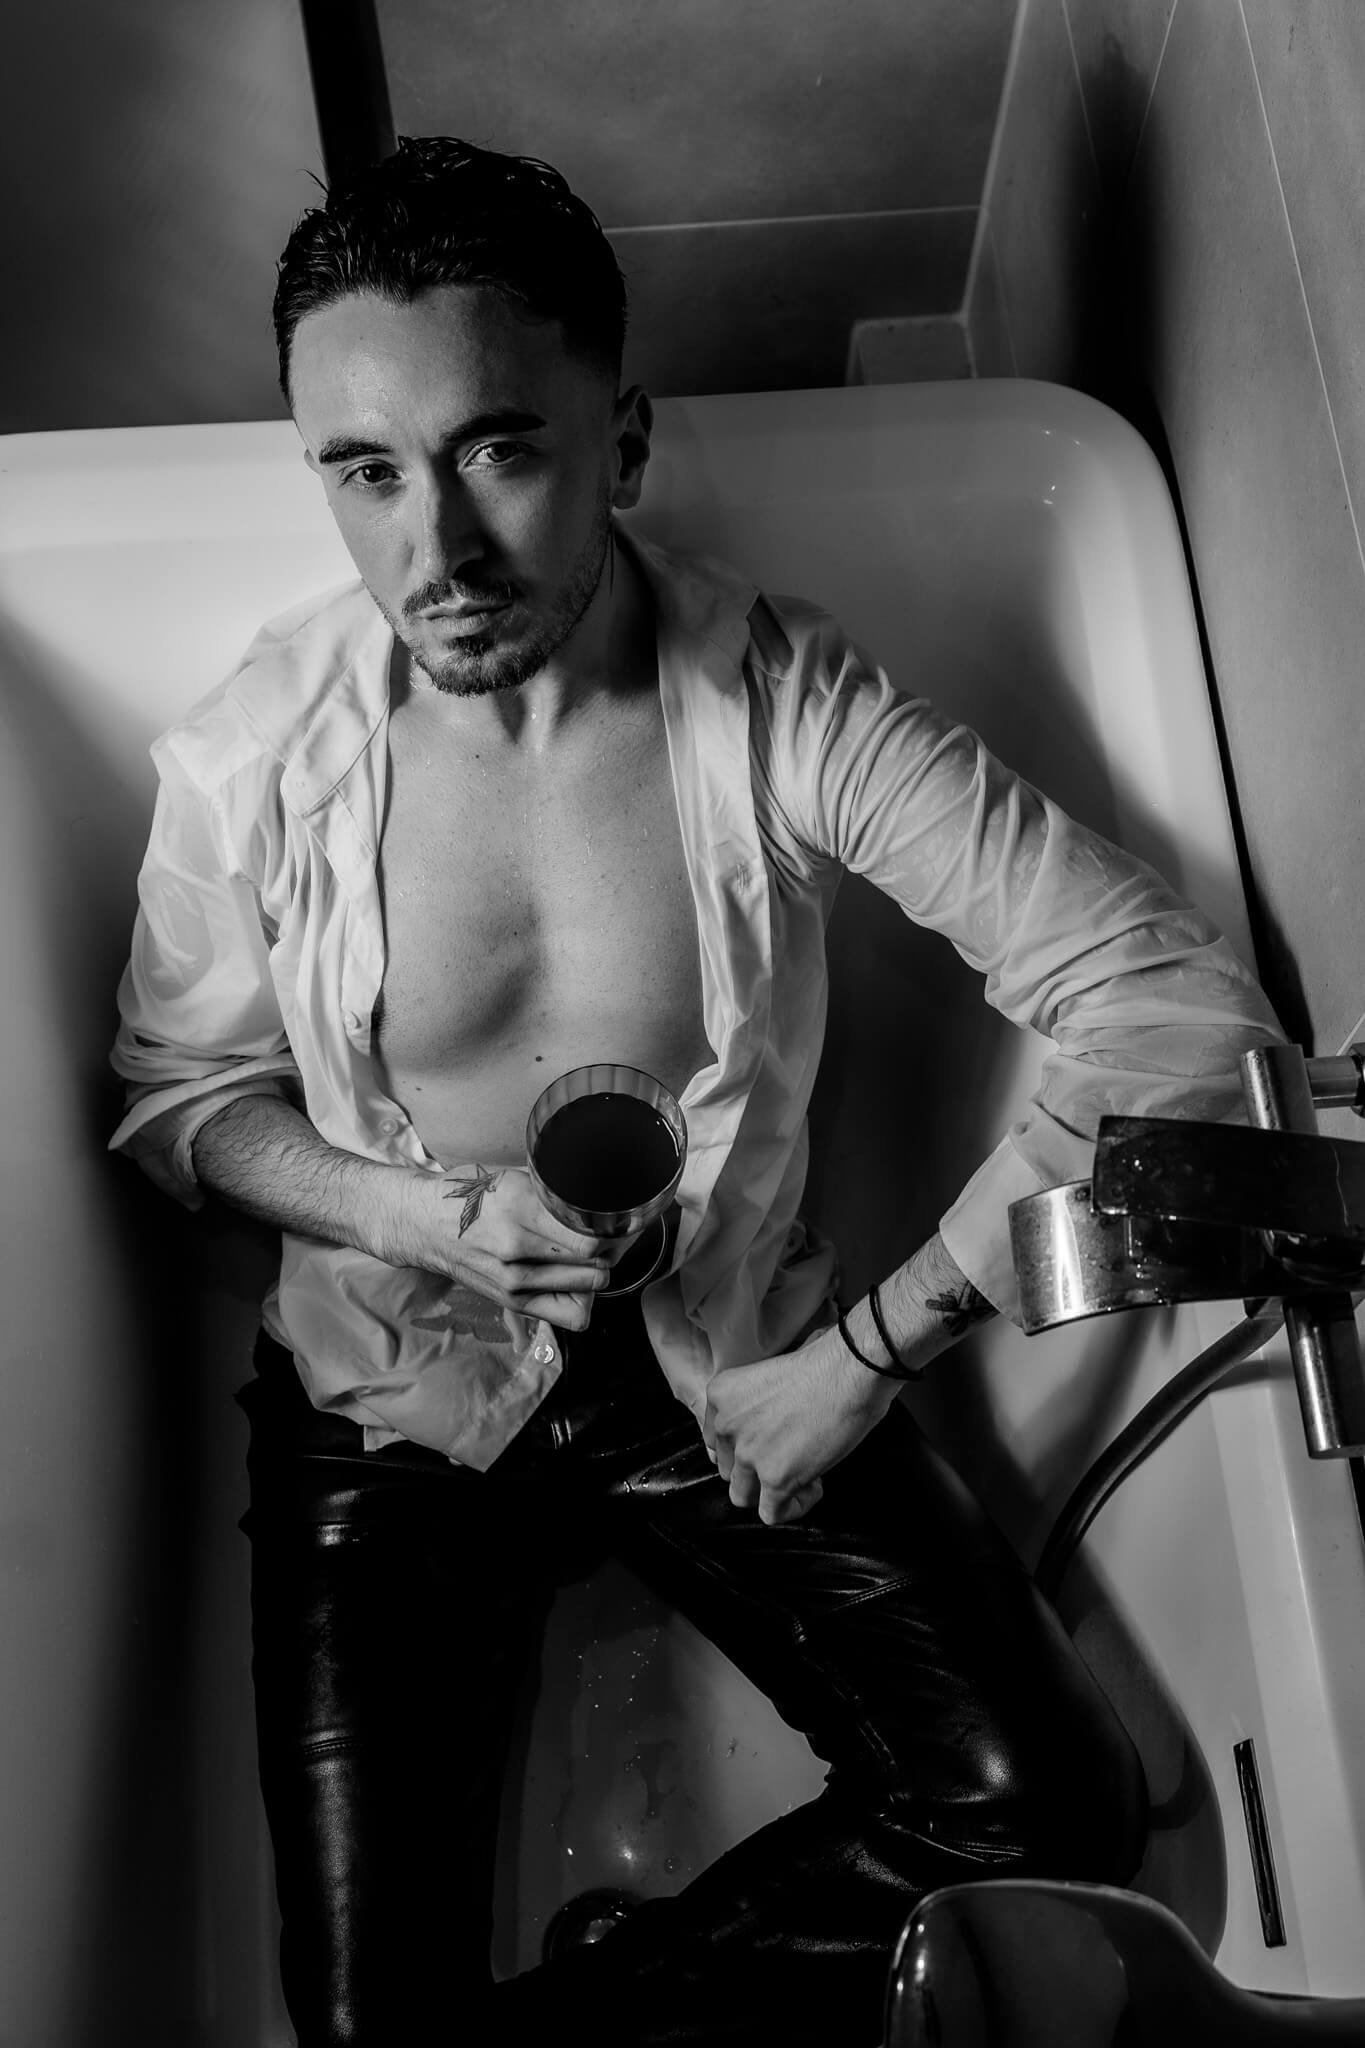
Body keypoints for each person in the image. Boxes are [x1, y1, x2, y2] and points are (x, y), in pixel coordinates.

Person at [109, 138, 1283, 2047]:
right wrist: (415, 1214)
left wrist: (878, 1346)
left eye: (498, 449)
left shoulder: (787, 711)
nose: (433, 551)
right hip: (390, 1371)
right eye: (363, 470)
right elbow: (184, 1093)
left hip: (718, 1347)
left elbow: (1172, 1012)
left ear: (624, 444)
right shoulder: (256, 756)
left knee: (1047, 1814)